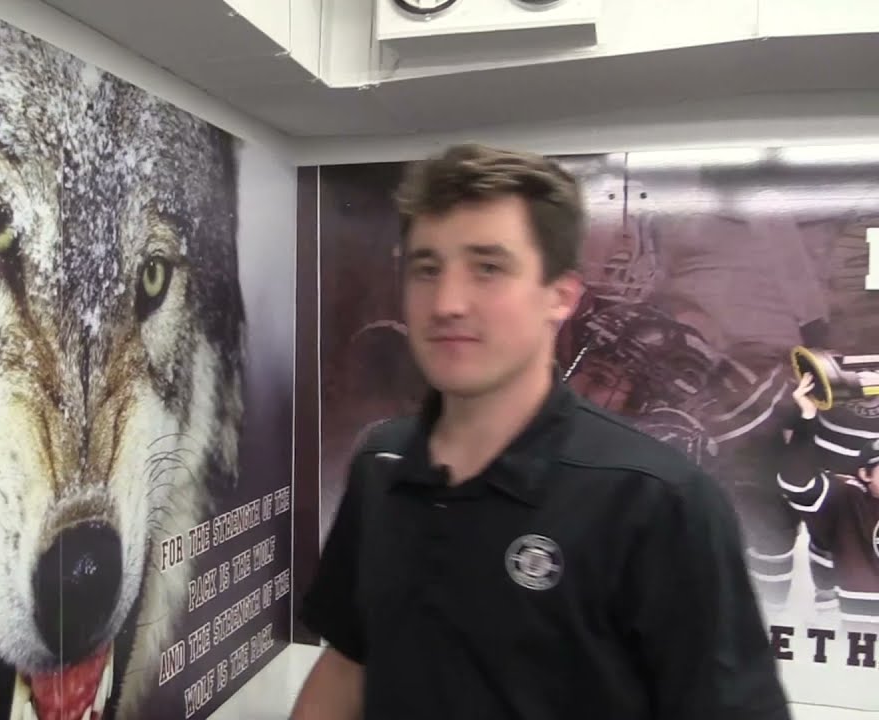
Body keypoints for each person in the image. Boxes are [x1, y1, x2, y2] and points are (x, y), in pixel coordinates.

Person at [291, 143, 791, 720]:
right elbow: (350, 662)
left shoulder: (658, 503)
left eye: (489, 267)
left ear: (562, 296)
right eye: (427, 269)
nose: (448, 302)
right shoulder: (381, 464)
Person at [779, 373, 879, 626]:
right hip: (859, 635)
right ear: (865, 474)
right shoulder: (847, 499)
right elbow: (796, 483)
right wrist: (808, 417)